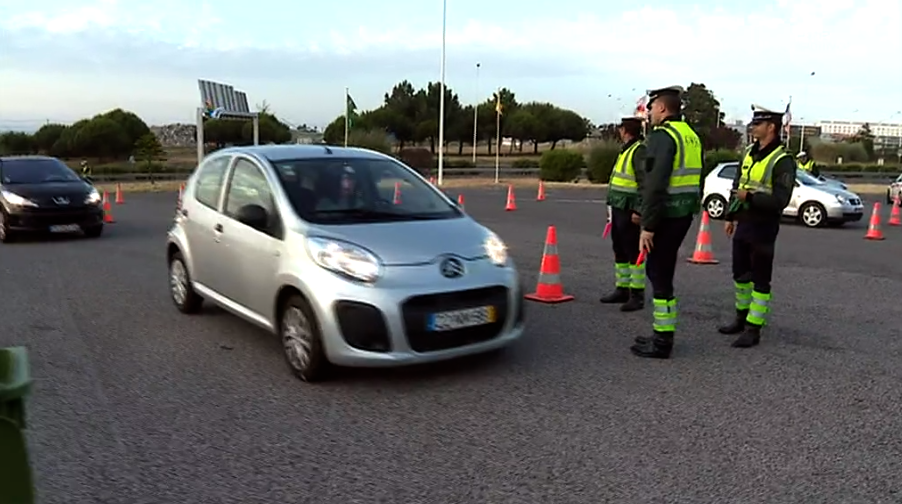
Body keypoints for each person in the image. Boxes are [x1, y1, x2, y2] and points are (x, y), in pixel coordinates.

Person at [629, 86, 704, 359]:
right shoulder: (691, 136)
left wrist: (647, 226)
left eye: (651, 108)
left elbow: (655, 184)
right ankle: (661, 336)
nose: (648, 113)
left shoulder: (663, 136)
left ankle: (662, 342)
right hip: (683, 213)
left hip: (665, 215)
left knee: (659, 274)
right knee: (663, 272)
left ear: (661, 108)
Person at [717, 105, 796, 348]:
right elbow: (737, 185)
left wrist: (749, 198)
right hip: (744, 223)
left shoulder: (782, 161)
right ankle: (741, 318)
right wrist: (731, 216)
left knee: (760, 278)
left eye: (757, 124)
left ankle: (754, 329)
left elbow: (780, 200)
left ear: (771, 127)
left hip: (764, 225)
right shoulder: (750, 153)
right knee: (740, 275)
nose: (753, 128)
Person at [599, 116, 647, 311]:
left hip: (629, 208)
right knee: (619, 248)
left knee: (633, 251)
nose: (618, 131)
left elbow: (644, 182)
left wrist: (639, 209)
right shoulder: (626, 150)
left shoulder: (638, 151)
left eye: (620, 128)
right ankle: (622, 288)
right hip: (618, 206)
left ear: (626, 131)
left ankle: (637, 294)